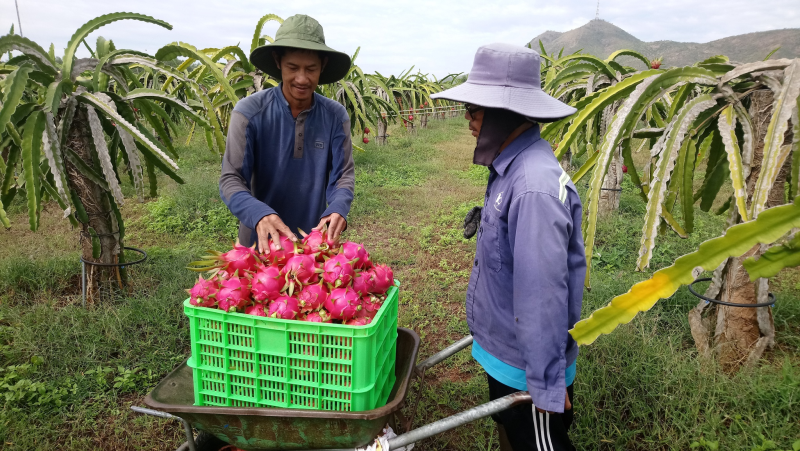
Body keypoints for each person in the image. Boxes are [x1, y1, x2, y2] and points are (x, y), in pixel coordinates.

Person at [431, 43, 586, 451]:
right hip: (505, 349)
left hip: (525, 367)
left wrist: (546, 384)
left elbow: (542, 297)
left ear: (506, 113)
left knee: (536, 443)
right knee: (511, 435)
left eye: (475, 110)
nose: (467, 118)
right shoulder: (511, 166)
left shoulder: (533, 187)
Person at [220, 14, 355, 252]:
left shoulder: (336, 116)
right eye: (293, 67)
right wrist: (258, 213)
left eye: (311, 69)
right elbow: (231, 179)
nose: (302, 79)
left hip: (312, 246)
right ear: (278, 61)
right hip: (257, 246)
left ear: (322, 66)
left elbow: (343, 175)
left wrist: (338, 207)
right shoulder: (249, 113)